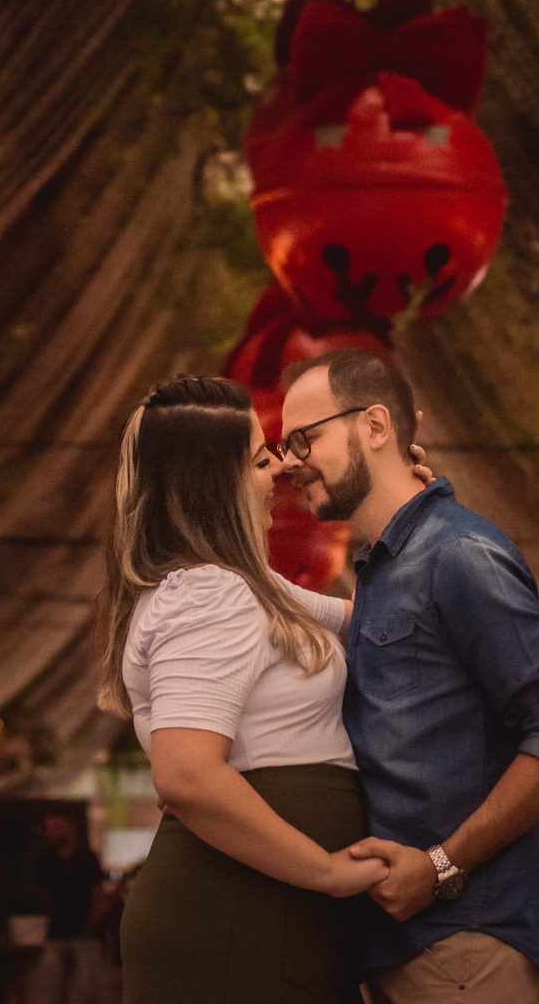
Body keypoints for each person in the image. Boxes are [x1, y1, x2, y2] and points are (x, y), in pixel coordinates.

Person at [279, 349, 539, 1004]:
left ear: (375, 426)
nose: (288, 462)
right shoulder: (384, 567)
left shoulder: (457, 552)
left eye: (302, 438)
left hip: (465, 940)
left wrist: (442, 866)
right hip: (403, 940)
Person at [99, 374, 393, 1004]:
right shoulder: (212, 594)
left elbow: (377, 620)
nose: (280, 471)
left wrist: (399, 496)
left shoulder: (247, 583)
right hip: (238, 912)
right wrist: (327, 872)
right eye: (261, 459)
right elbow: (187, 776)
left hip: (265, 908)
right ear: (216, 482)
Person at [30, 812, 107, 1004]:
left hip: (85, 933)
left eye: (56, 827)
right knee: (54, 987)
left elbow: (97, 895)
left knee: (85, 988)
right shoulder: (45, 860)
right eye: (49, 828)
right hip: (57, 932)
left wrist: (90, 926)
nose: (51, 833)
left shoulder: (86, 857)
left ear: (70, 827)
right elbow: (43, 893)